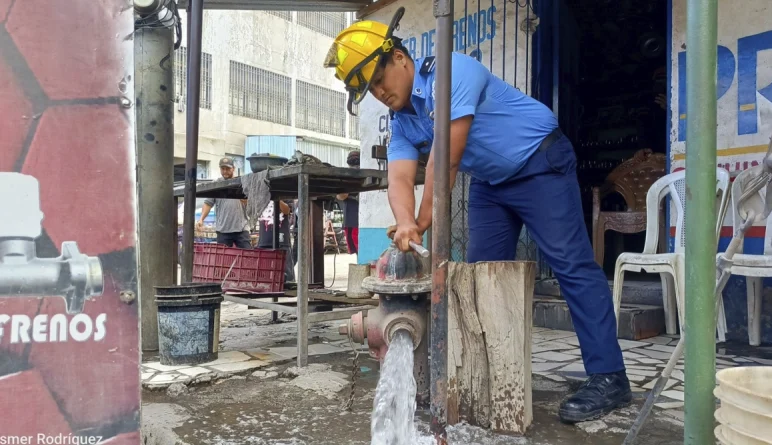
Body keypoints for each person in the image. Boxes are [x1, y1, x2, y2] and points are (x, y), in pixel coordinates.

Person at [325, 11, 631, 424]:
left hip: (539, 161)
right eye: (369, 90)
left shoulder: (452, 72)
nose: (379, 92)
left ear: (399, 58)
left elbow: (444, 161)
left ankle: (610, 378)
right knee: (479, 278)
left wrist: (421, 220)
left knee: (571, 265)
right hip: (490, 181)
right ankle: (484, 377)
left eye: (379, 79)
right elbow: (398, 176)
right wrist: (405, 222)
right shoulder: (401, 121)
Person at [198, 157, 251, 249]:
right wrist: (201, 219)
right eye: (223, 169)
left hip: (241, 228)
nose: (225, 171)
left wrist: (244, 199)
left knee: (248, 256)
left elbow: (251, 203)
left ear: (233, 169)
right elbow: (208, 203)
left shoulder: (242, 182)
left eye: (228, 169)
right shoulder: (216, 184)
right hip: (223, 230)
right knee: (223, 260)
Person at [258, 200, 295, 282]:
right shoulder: (262, 194)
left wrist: (276, 198)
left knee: (287, 273)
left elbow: (287, 210)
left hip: (282, 239)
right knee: (264, 272)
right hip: (264, 240)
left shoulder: (285, 194)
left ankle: (288, 286)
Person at [335, 150, 361, 254]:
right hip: (351, 220)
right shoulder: (346, 176)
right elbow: (340, 195)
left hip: (356, 221)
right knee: (357, 252)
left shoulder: (364, 174)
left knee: (360, 251)